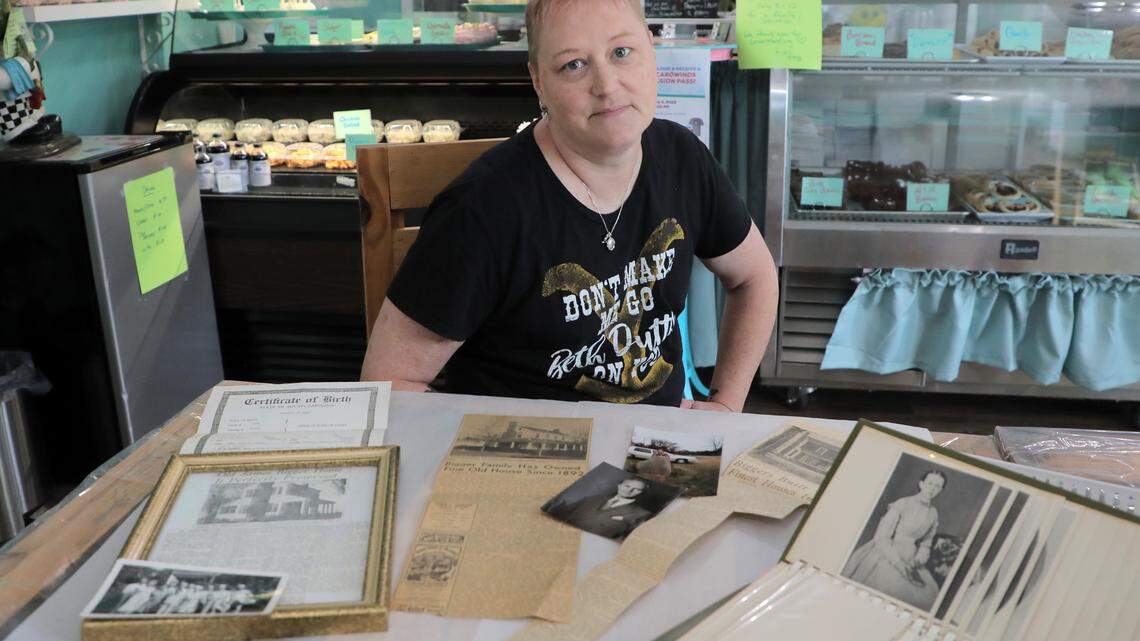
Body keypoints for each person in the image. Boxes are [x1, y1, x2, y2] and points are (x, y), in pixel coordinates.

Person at [360, 0, 778, 413]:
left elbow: (755, 277)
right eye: (573, 64)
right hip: (525, 460)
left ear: (652, 52)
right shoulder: (482, 210)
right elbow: (390, 383)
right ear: (538, 81)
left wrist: (724, 407)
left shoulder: (682, 156)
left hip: (653, 450)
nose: (607, 85)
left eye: (621, 52)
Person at [842, 471, 947, 610]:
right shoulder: (903, 503)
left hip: (911, 557)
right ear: (921, 484)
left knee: (926, 595)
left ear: (940, 490)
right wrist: (900, 565)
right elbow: (881, 537)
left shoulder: (933, 513)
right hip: (887, 552)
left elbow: (926, 544)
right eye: (930, 483)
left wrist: (918, 560)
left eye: (938, 486)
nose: (932, 488)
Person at [545, 476, 653, 539]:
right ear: (619, 485)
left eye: (636, 489)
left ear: (642, 493)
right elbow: (561, 511)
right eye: (627, 486)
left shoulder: (641, 514)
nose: (629, 490)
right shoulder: (593, 498)